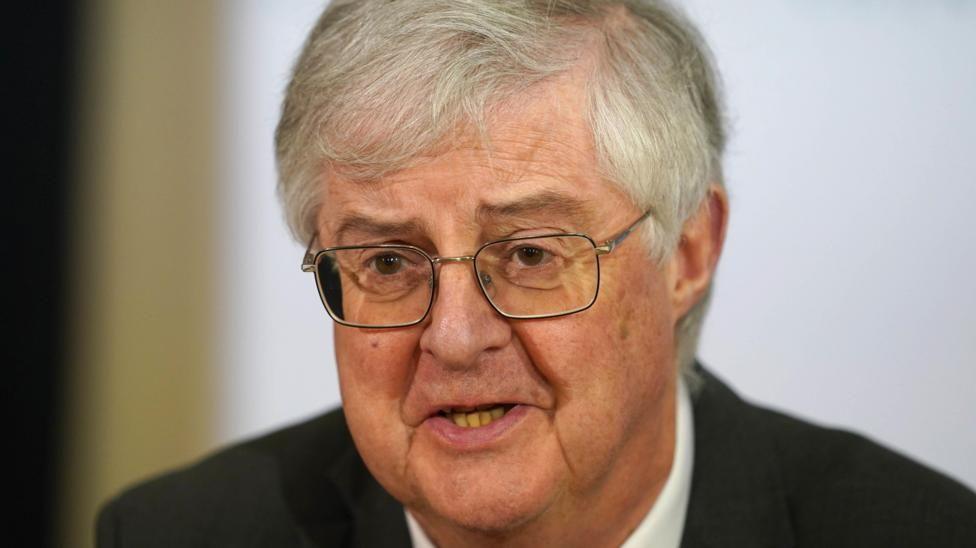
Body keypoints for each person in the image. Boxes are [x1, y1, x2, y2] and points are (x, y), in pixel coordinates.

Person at [97, 1, 976, 546]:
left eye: (528, 254)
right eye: (390, 261)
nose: (453, 336)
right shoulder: (178, 535)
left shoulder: (918, 533)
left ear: (689, 253)